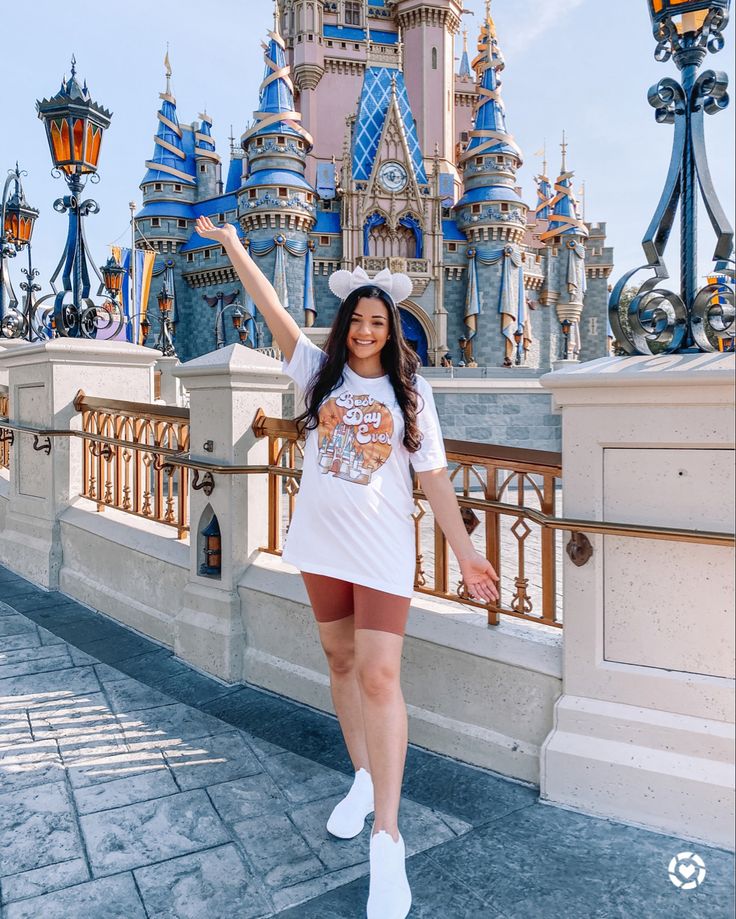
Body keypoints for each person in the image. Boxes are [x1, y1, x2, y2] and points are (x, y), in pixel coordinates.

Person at [195, 215, 499, 919]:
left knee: (379, 674)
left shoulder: (413, 394)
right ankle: (361, 778)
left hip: (383, 550)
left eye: (376, 321)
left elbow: (435, 483)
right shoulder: (314, 371)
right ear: (344, 325)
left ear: (392, 330)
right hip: (320, 545)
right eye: (356, 320)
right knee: (338, 664)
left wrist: (467, 551)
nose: (365, 330)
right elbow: (271, 307)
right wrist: (237, 245)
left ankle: (387, 839)